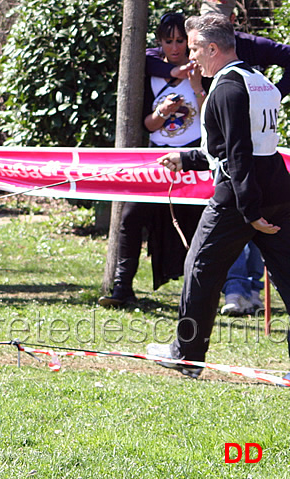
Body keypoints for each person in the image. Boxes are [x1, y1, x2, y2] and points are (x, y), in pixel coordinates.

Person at [147, 13, 290, 380]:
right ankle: (186, 353)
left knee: (200, 268)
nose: (191, 57)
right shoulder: (260, 81)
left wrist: (249, 210)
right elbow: (249, 147)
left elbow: (239, 153)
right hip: (277, 188)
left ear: (213, 48)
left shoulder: (226, 88)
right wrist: (187, 157)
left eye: (194, 48)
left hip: (240, 198)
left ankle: (186, 354)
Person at [98, 13, 204, 307]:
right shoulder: (149, 70)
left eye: (180, 40)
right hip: (158, 161)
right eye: (168, 41)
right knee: (131, 219)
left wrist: (196, 86)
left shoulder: (201, 69)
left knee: (198, 226)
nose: (175, 47)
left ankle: (200, 293)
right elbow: (149, 124)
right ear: (160, 42)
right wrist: (163, 112)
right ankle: (122, 288)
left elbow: (211, 116)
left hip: (193, 160)